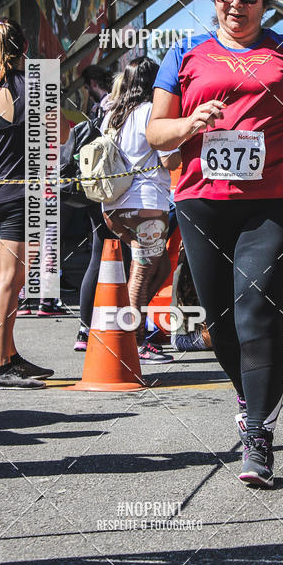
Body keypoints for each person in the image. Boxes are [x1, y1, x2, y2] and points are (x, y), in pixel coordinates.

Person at [146, 0, 283, 488]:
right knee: (219, 323)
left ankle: (257, 435)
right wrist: (192, 122)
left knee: (257, 313)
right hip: (201, 200)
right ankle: (250, 398)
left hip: (276, 202)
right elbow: (155, 133)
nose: (236, 3)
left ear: (266, 1)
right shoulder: (185, 54)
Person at [0, 18, 69, 389]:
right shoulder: (34, 85)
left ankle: (8, 356)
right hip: (17, 198)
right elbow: (64, 132)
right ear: (24, 50)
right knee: (11, 278)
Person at [101, 57, 180, 363]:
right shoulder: (151, 114)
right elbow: (170, 161)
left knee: (157, 268)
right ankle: (135, 342)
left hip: (113, 209)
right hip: (146, 207)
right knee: (142, 273)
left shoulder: (113, 115)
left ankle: (132, 322)